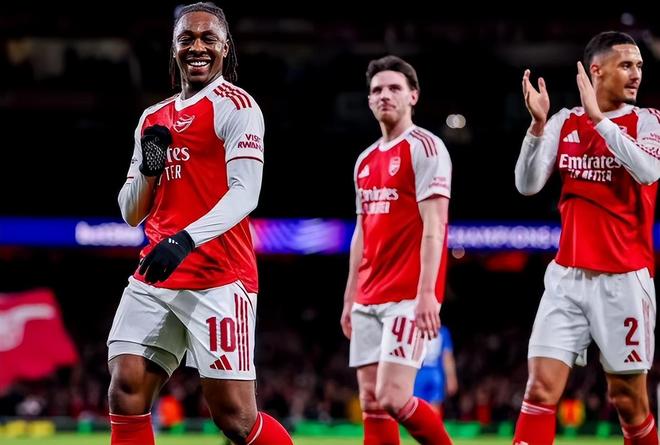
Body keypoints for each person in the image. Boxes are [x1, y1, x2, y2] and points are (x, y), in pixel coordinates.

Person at [106, 3, 293, 444]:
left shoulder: (238, 107)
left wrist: (185, 240)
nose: (197, 47)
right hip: (156, 272)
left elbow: (245, 193)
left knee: (235, 418)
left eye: (209, 38)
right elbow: (130, 212)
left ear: (225, 48)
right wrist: (149, 170)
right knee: (126, 388)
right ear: (173, 48)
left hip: (218, 276)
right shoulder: (152, 118)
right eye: (186, 38)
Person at [513, 31, 660, 445]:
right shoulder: (564, 121)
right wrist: (537, 127)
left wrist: (600, 121)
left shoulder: (648, 120)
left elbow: (649, 171)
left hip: (624, 280)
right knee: (539, 389)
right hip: (566, 279)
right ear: (597, 70)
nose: (636, 74)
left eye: (639, 66)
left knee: (628, 402)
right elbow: (527, 184)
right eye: (626, 65)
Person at [340, 55, 453, 445]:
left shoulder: (426, 147)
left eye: (394, 88)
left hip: (407, 296)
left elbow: (435, 226)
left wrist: (428, 294)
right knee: (371, 402)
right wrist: (350, 296)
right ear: (369, 100)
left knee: (393, 397)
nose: (384, 95)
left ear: (413, 96)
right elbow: (361, 233)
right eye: (377, 90)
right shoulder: (365, 160)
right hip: (367, 295)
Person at [414, 325, 458, 418]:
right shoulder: (443, 332)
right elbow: (447, 357)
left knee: (417, 406)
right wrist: (451, 378)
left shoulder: (417, 330)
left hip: (420, 374)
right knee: (435, 408)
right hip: (435, 375)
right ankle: (433, 426)